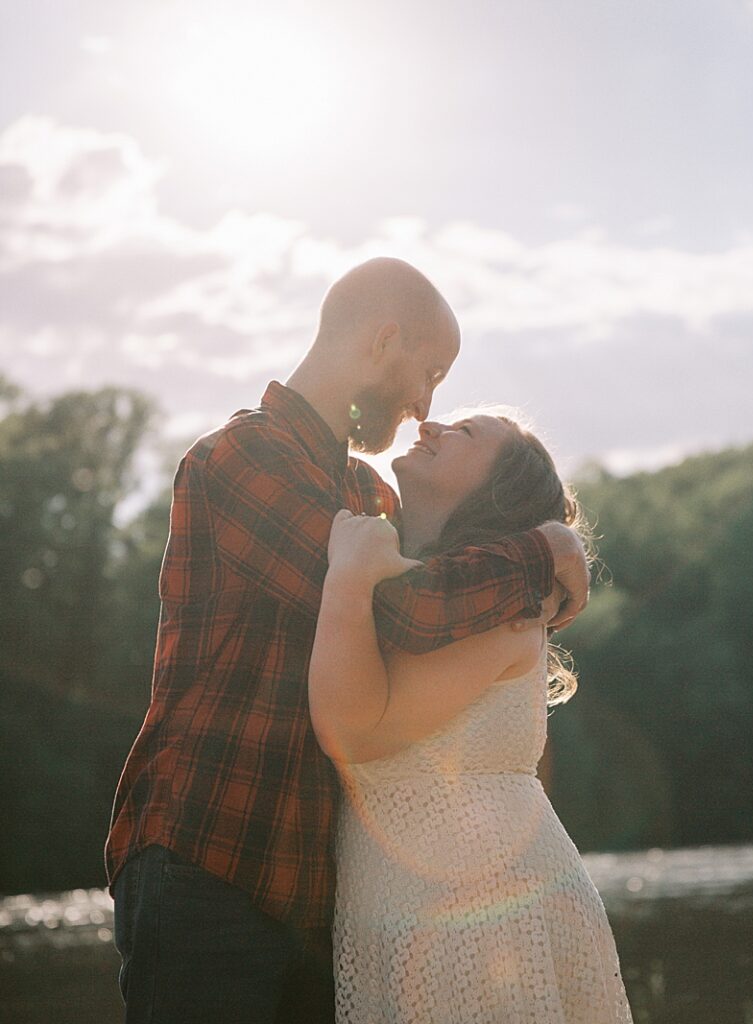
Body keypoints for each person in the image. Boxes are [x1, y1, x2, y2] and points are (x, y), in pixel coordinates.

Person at [105, 257, 589, 1023]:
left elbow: (428, 629)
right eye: (428, 372)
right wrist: (544, 549)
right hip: (209, 856)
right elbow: (405, 613)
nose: (426, 403)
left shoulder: (368, 494)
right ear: (382, 340)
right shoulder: (239, 459)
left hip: (317, 884)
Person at [309, 412, 633, 1023]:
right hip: (410, 892)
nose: (430, 424)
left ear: (500, 487)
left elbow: (355, 734)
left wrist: (347, 580)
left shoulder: (506, 599)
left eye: (466, 432)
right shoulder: (434, 582)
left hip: (478, 904)